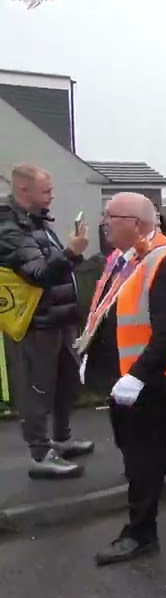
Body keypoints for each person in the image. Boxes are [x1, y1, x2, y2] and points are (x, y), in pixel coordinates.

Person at [79, 193, 166, 565]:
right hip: (128, 374)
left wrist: (139, 377)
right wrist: (91, 353)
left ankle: (141, 533)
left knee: (142, 453)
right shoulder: (124, 259)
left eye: (112, 216)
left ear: (138, 224)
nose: (104, 222)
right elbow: (108, 312)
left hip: (160, 376)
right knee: (138, 445)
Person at [0, 164, 94, 479]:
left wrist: (71, 255)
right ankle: (40, 454)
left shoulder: (36, 221)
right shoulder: (10, 226)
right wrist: (70, 253)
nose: (52, 195)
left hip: (58, 318)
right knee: (36, 389)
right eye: (46, 190)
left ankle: (62, 438)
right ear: (23, 190)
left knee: (65, 382)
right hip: (35, 323)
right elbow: (38, 274)